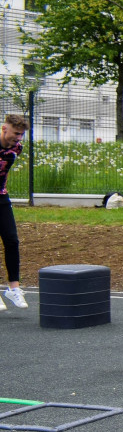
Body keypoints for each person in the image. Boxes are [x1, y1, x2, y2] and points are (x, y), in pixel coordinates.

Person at [0, 113, 28, 312]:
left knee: (11, 240)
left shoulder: (17, 148)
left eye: (21, 135)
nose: (18, 138)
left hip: (1, 197)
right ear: (4, 129)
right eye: (15, 133)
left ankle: (13, 289)